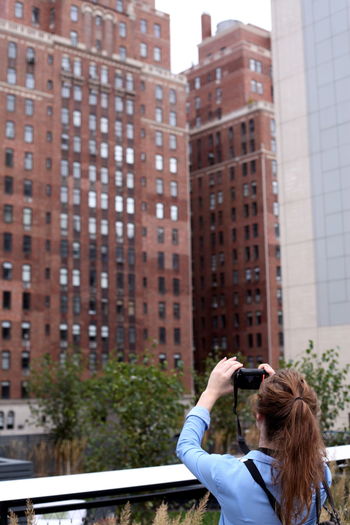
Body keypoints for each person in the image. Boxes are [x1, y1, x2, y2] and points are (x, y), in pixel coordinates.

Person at [176, 357, 331, 525]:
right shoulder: (320, 475)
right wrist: (283, 392)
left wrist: (210, 393)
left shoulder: (229, 475)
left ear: (259, 416)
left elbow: (186, 446)